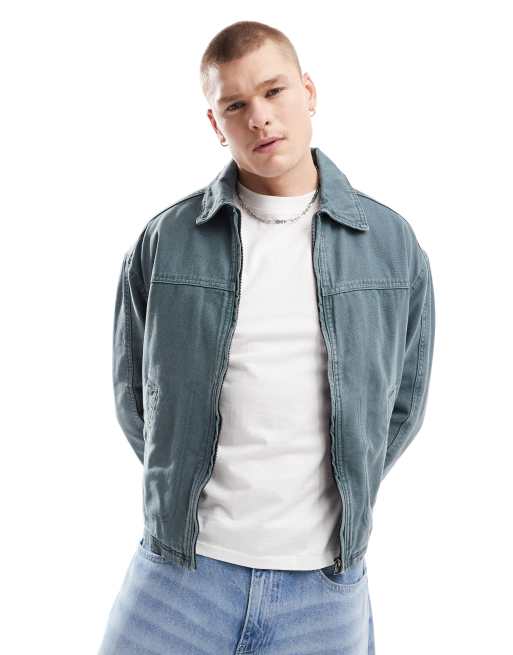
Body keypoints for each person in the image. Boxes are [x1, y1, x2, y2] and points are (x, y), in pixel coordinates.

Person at [99, 20, 435, 655]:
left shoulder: (391, 245)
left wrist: (348, 485)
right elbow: (136, 398)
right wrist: (180, 487)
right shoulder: (166, 241)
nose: (259, 117)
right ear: (215, 123)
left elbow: (403, 404)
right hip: (179, 579)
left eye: (274, 91)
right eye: (235, 104)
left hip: (323, 593)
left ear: (308, 92)